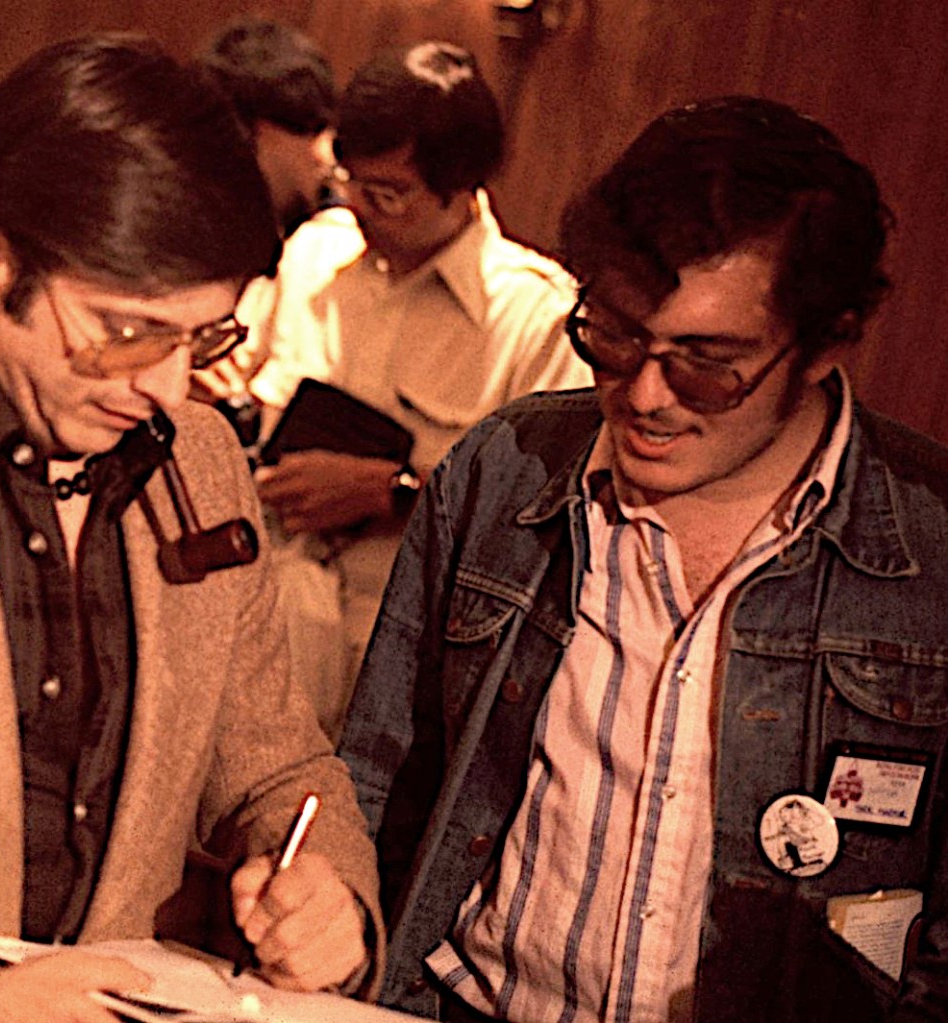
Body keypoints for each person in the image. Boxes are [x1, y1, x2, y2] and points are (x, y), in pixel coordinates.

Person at [338, 95, 948, 1022]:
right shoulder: (503, 471)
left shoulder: (930, 549)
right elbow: (376, 778)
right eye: (615, 336)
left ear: (825, 342)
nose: (644, 394)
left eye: (706, 360)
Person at [0, 34, 381, 1023]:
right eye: (128, 334)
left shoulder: (199, 461)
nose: (167, 390)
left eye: (201, 337)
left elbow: (278, 768)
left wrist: (329, 895)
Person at [249, 41, 591, 740]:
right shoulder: (315, 252)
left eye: (387, 193)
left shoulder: (537, 316)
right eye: (348, 181)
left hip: (401, 674)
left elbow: (553, 514)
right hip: (262, 622)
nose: (357, 206)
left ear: (459, 187)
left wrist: (396, 492)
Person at [190, 18, 343, 412]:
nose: (325, 154)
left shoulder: (328, 240)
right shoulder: (171, 228)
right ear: (248, 127)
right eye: (308, 129)